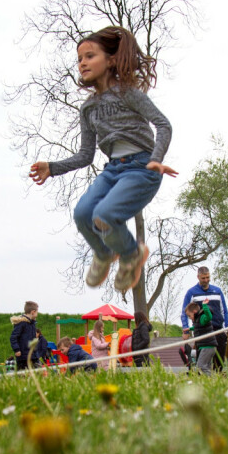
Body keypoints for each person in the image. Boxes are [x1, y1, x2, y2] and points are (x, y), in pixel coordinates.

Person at [28, 26, 176, 294]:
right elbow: (86, 155)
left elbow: (163, 125)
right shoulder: (88, 108)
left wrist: (156, 158)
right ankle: (104, 254)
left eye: (90, 56)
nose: (82, 63)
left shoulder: (128, 93)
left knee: (104, 215)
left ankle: (132, 255)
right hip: (113, 171)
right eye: (79, 59)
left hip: (141, 169)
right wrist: (53, 167)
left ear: (109, 61)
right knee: (83, 214)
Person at [181, 267, 228, 371]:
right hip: (202, 332)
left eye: (208, 277)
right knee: (202, 362)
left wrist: (226, 327)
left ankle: (219, 380)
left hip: (217, 329)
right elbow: (185, 312)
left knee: (219, 361)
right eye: (203, 278)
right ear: (198, 277)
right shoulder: (191, 292)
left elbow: (224, 310)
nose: (206, 280)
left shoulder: (217, 291)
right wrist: (185, 328)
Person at [186, 300, 218, 375]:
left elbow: (209, 317)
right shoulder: (197, 320)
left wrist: (205, 306)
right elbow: (198, 327)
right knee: (206, 366)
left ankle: (211, 381)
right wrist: (190, 329)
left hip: (208, 346)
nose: (189, 318)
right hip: (205, 346)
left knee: (201, 366)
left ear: (194, 311)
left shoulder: (202, 317)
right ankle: (209, 381)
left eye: (189, 315)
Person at [9, 301, 40, 370]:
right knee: (23, 375)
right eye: (37, 312)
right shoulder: (21, 323)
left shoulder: (32, 324)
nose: (37, 314)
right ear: (33, 312)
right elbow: (13, 337)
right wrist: (17, 349)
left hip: (33, 356)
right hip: (23, 356)